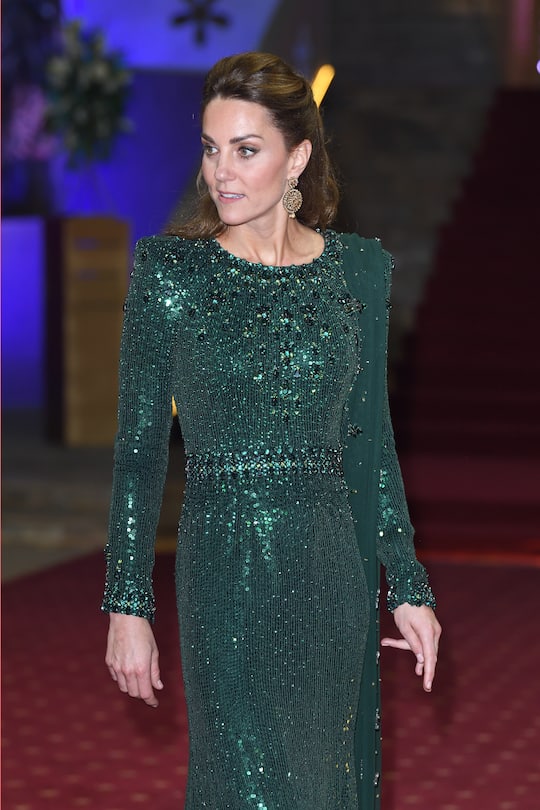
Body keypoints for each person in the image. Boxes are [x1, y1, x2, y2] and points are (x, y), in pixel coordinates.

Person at [103, 51, 441, 810]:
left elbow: (373, 440)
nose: (221, 171)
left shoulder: (356, 274)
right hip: (224, 567)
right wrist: (128, 605)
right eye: (211, 147)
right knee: (245, 783)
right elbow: (137, 453)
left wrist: (407, 585)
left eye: (246, 150)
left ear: (298, 158)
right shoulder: (171, 274)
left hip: (328, 568)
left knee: (320, 784)